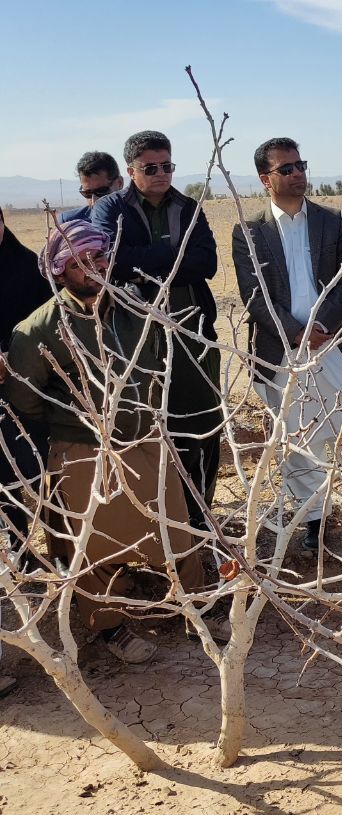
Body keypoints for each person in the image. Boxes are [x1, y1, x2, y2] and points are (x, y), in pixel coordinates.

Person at [6, 222, 213, 665]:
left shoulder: (135, 309)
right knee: (95, 544)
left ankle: (194, 608)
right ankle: (110, 627)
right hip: (84, 449)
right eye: (83, 262)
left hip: (146, 438)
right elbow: (27, 398)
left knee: (176, 529)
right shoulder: (37, 330)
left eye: (100, 257)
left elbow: (157, 364)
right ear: (61, 269)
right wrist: (78, 425)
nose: (96, 268)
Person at [231, 137, 342, 553]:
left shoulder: (332, 219)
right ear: (265, 179)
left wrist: (322, 324)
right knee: (298, 441)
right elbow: (254, 294)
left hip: (334, 345)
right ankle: (315, 522)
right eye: (286, 169)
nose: (298, 174)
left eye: (300, 165)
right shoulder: (248, 231)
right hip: (282, 353)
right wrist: (294, 331)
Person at [92, 130, 222, 532]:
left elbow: (206, 263)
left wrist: (146, 261)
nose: (162, 173)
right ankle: (154, 520)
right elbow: (111, 263)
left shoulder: (187, 206)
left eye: (168, 166)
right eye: (152, 168)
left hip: (190, 335)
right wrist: (173, 252)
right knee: (145, 428)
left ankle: (200, 515)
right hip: (133, 340)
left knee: (201, 426)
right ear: (131, 170)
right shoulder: (110, 208)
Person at [0, 206, 55, 695]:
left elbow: (43, 335)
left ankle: (17, 565)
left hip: (18, 406)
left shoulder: (25, 270)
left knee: (18, 493)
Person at [59, 152, 124, 224]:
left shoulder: (135, 218)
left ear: (119, 183)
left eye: (101, 192)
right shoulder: (70, 223)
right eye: (87, 193)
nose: (94, 201)